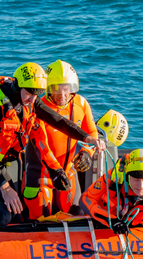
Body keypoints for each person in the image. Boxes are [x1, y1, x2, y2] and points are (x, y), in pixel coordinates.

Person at [0, 63, 102, 226]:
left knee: (17, 216)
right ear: (17, 86)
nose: (33, 99)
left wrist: (87, 138)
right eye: (30, 94)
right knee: (3, 217)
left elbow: (58, 120)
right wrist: (5, 187)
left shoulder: (30, 99)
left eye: (37, 95)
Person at [24, 60, 106, 218]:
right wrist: (56, 171)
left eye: (66, 89)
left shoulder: (81, 104)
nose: (62, 95)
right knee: (41, 219)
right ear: (48, 89)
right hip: (41, 175)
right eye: (56, 89)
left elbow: (91, 133)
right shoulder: (39, 108)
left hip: (68, 172)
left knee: (76, 214)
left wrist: (86, 153)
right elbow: (42, 146)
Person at [80, 148, 143, 258]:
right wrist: (111, 220)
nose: (141, 186)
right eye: (136, 179)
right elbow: (86, 199)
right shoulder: (115, 176)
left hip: (141, 223)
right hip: (111, 219)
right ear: (127, 175)